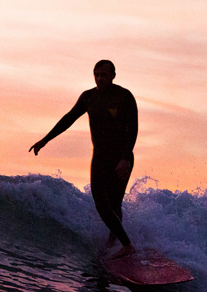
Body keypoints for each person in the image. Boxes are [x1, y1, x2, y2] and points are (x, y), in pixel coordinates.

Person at [30, 60, 138, 257]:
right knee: (101, 204)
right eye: (96, 74)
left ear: (113, 75)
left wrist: (125, 158)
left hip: (122, 157)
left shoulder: (124, 96)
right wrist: (45, 140)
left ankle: (122, 245)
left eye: (104, 74)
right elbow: (69, 118)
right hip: (100, 158)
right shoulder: (89, 98)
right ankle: (124, 245)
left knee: (115, 204)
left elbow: (133, 129)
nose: (99, 78)